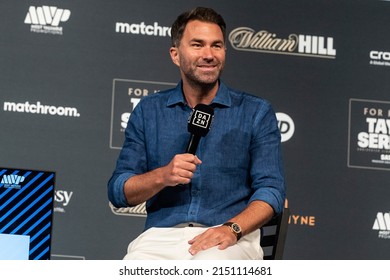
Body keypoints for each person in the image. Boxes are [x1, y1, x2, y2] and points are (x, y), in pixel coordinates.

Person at [107, 6, 285, 260]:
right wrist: (162, 176)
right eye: (198, 45)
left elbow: (271, 191)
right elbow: (118, 190)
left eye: (217, 46)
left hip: (229, 239)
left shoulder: (255, 112)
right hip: (160, 239)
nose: (209, 54)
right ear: (175, 55)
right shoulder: (149, 111)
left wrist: (232, 229)